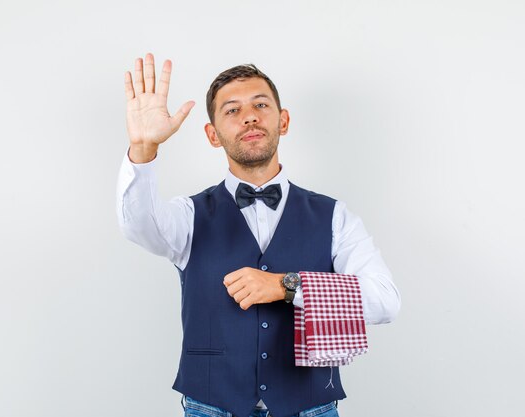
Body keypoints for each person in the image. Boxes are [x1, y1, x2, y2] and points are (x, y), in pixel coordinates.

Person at [117, 53, 400, 417]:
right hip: (212, 408)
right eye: (232, 110)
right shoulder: (187, 216)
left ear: (283, 121)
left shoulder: (335, 217)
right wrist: (143, 150)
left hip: (311, 408)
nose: (249, 116)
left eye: (260, 104)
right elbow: (137, 224)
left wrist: (287, 286)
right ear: (212, 135)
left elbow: (386, 301)